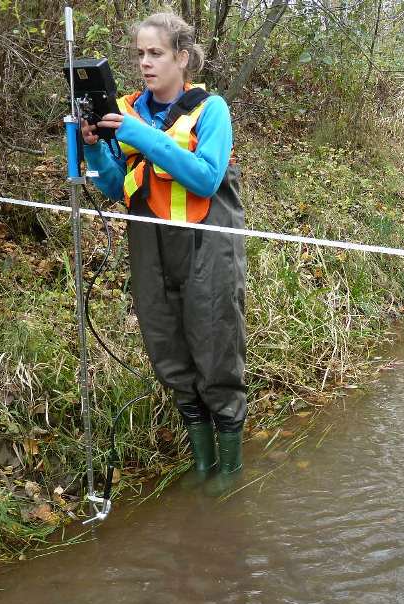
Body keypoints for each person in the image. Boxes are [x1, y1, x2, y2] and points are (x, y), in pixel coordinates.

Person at [81, 12, 247, 494]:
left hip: (205, 245)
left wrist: (138, 135)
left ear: (182, 57)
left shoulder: (210, 109)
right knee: (169, 352)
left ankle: (229, 472)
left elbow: (205, 177)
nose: (146, 64)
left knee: (215, 350)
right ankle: (202, 465)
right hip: (149, 244)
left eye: (155, 53)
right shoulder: (127, 108)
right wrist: (95, 148)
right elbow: (116, 187)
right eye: (139, 54)